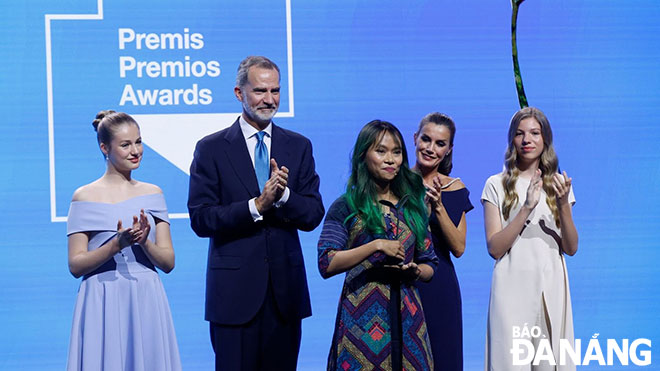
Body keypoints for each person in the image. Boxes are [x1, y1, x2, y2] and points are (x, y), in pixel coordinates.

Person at [187, 56, 324, 371]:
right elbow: (201, 218)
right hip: (233, 299)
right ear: (239, 93)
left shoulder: (298, 146)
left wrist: (284, 196)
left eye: (275, 91)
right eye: (261, 91)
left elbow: (313, 213)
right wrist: (256, 206)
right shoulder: (211, 148)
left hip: (285, 297)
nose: (270, 99)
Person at [318, 120, 439, 371]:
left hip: (409, 319)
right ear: (364, 156)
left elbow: (430, 262)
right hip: (361, 322)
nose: (390, 159)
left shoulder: (412, 206)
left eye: (397, 152)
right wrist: (375, 246)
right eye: (381, 151)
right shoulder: (347, 206)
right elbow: (326, 262)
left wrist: (416, 270)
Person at [66, 110, 181, 371]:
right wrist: (116, 245)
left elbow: (168, 262)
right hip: (102, 298)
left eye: (138, 142)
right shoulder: (84, 196)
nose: (135, 151)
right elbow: (75, 265)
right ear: (104, 147)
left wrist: (144, 242)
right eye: (126, 144)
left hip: (146, 297)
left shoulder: (154, 194)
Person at [482, 107, 578, 370]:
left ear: (545, 139)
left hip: (551, 288)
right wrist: (526, 207)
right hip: (511, 289)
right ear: (512, 140)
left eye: (535, 133)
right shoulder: (496, 184)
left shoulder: (559, 185)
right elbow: (494, 248)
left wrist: (563, 204)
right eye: (520, 134)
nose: (527, 140)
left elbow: (571, 248)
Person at [412, 113, 473, 371]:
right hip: (401, 282)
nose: (430, 148)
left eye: (440, 143)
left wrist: (438, 207)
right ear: (415, 139)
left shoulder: (454, 188)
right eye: (426, 139)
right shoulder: (393, 181)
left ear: (449, 150)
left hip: (440, 286)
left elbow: (459, 247)